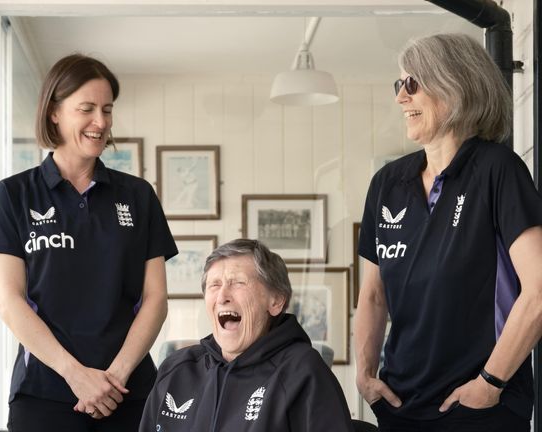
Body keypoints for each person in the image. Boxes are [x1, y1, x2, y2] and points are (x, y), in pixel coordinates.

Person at [0, 53, 177, 431]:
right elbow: (11, 302)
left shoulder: (137, 196)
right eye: (86, 108)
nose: (100, 122)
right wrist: (75, 375)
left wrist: (115, 377)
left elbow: (156, 299)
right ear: (54, 112)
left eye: (107, 110)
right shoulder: (14, 195)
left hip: (129, 392)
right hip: (44, 393)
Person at [355, 33, 542, 431]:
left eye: (412, 84)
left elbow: (540, 289)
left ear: (453, 84)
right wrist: (366, 375)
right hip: (399, 405)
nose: (400, 98)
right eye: (398, 85)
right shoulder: (387, 183)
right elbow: (372, 294)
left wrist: (490, 384)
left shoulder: (498, 170)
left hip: (478, 407)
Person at [139, 239, 353, 431]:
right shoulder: (176, 369)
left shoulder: (304, 371)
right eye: (214, 285)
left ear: (276, 301)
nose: (222, 296)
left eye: (238, 283)